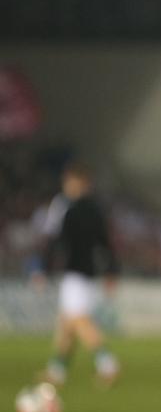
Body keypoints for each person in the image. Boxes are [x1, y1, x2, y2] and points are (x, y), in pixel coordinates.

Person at [41, 163, 120, 387]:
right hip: (89, 273)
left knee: (78, 321)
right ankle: (57, 371)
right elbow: (107, 244)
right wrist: (111, 271)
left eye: (69, 182)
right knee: (66, 322)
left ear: (77, 183)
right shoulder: (96, 211)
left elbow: (57, 243)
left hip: (73, 273)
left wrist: (43, 269)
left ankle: (108, 364)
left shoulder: (70, 211)